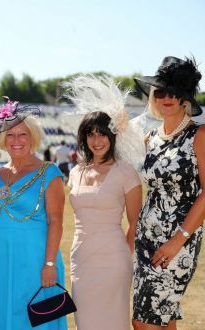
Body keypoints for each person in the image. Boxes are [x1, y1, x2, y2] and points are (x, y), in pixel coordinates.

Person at [132, 56, 205, 329]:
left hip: (176, 244)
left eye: (174, 92)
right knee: (164, 319)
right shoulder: (150, 139)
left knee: (143, 322)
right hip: (145, 241)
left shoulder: (200, 135)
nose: (166, 97)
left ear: (185, 98)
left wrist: (177, 240)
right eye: (160, 91)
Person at [0, 99, 68, 329]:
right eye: (10, 135)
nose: (16, 141)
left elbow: (56, 221)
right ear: (2, 139)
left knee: (31, 321)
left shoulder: (49, 172)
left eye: (23, 135)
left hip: (34, 262)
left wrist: (50, 263)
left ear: (33, 137)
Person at [62, 75, 144, 329]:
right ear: (84, 138)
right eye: (91, 135)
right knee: (84, 323)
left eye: (102, 134)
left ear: (113, 136)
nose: (97, 141)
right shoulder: (76, 172)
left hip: (114, 260)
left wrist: (122, 254)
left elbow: (135, 222)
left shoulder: (126, 172)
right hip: (81, 259)